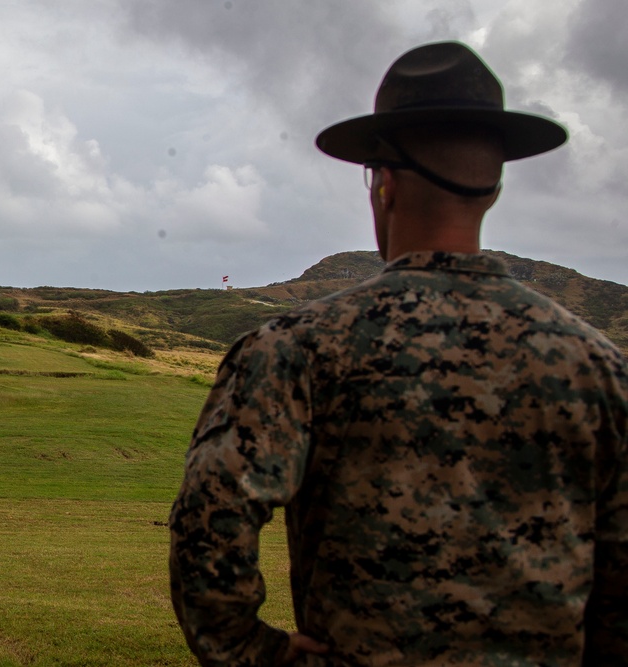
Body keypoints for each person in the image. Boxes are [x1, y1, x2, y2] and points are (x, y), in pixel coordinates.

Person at [168, 41, 627, 666]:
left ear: (382, 186)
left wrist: (261, 655)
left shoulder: (296, 347)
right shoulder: (598, 366)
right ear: (490, 190)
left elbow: (208, 523)